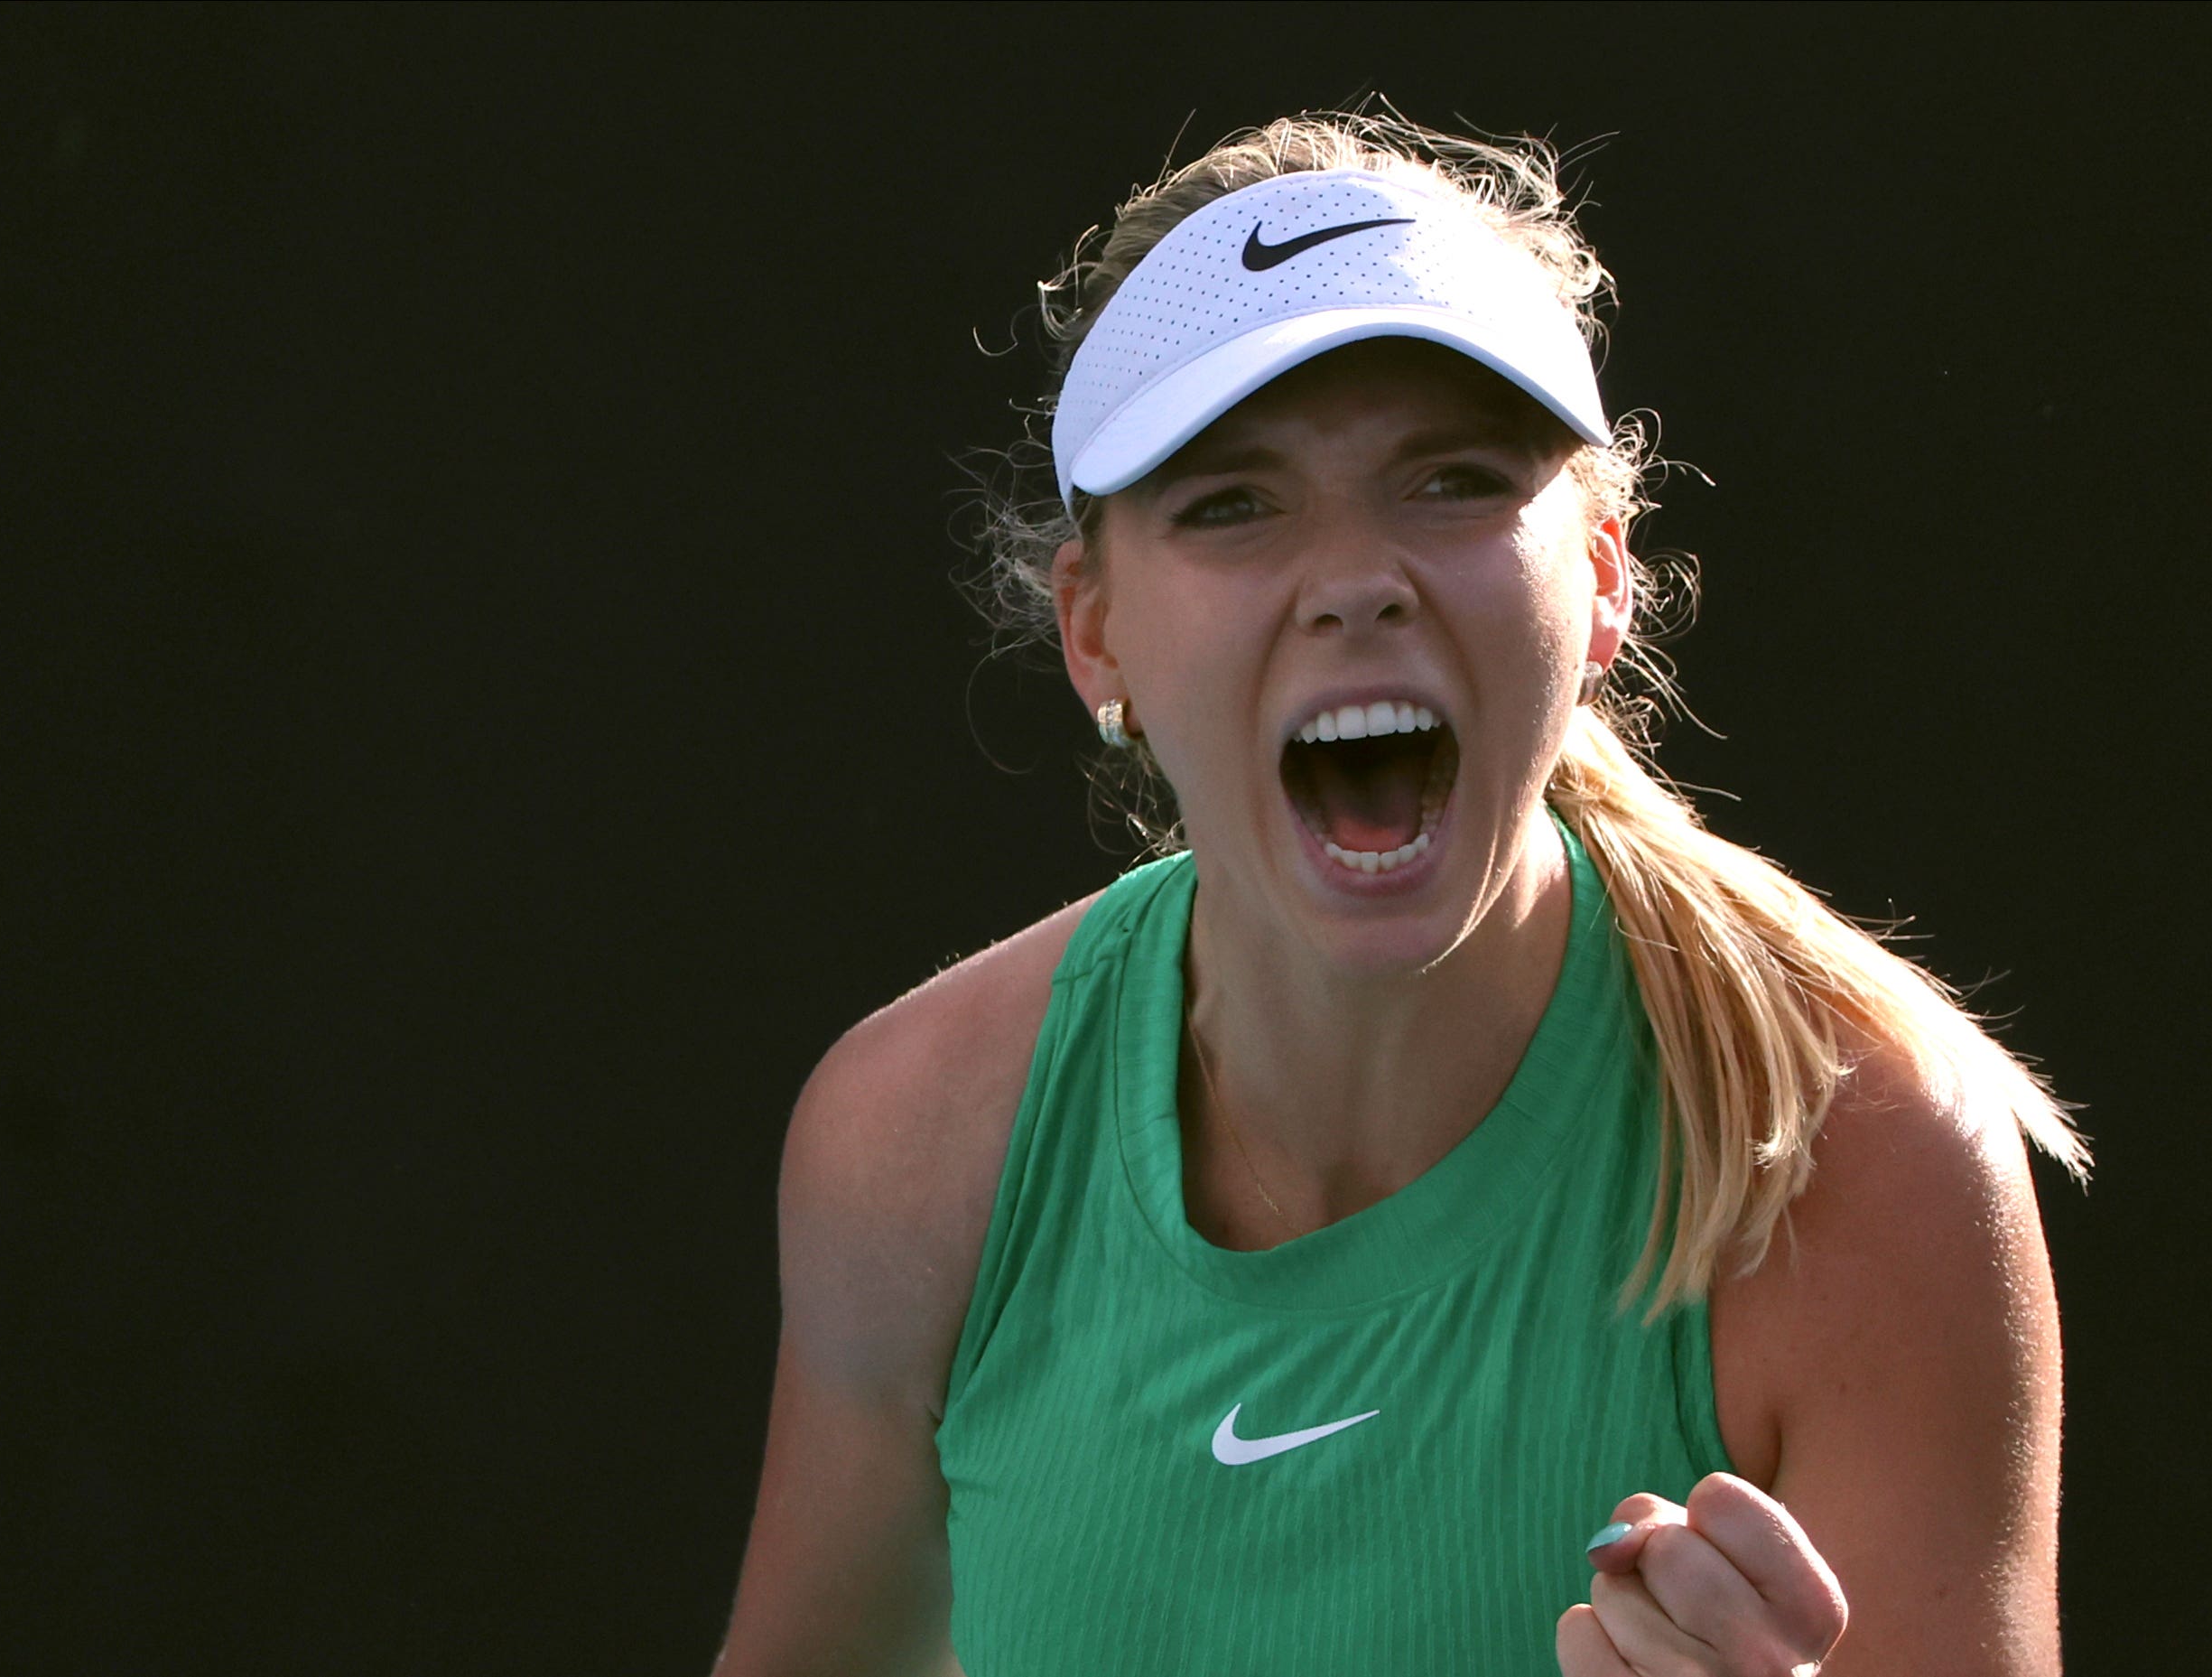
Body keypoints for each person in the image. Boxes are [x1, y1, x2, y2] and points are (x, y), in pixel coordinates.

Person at [713, 111, 2086, 1676]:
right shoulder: (911, 1145)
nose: (1355, 574)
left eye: (1448, 480)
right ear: (1093, 635)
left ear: (1602, 582)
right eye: (1233, 501)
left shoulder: (1867, 1168)